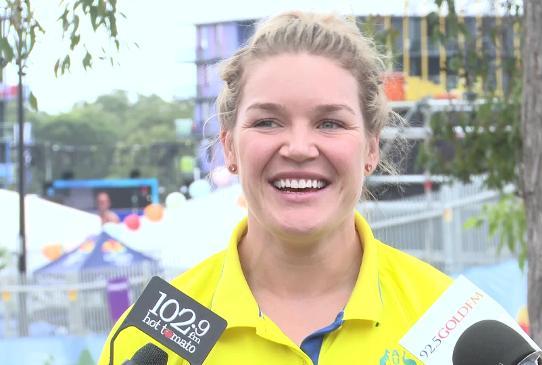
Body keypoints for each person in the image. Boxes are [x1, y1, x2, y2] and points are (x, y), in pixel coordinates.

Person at [100, 11, 451, 364]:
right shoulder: (148, 340)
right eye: (267, 122)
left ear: (371, 149)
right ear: (230, 147)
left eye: (330, 122)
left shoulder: (449, 321)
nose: (299, 148)